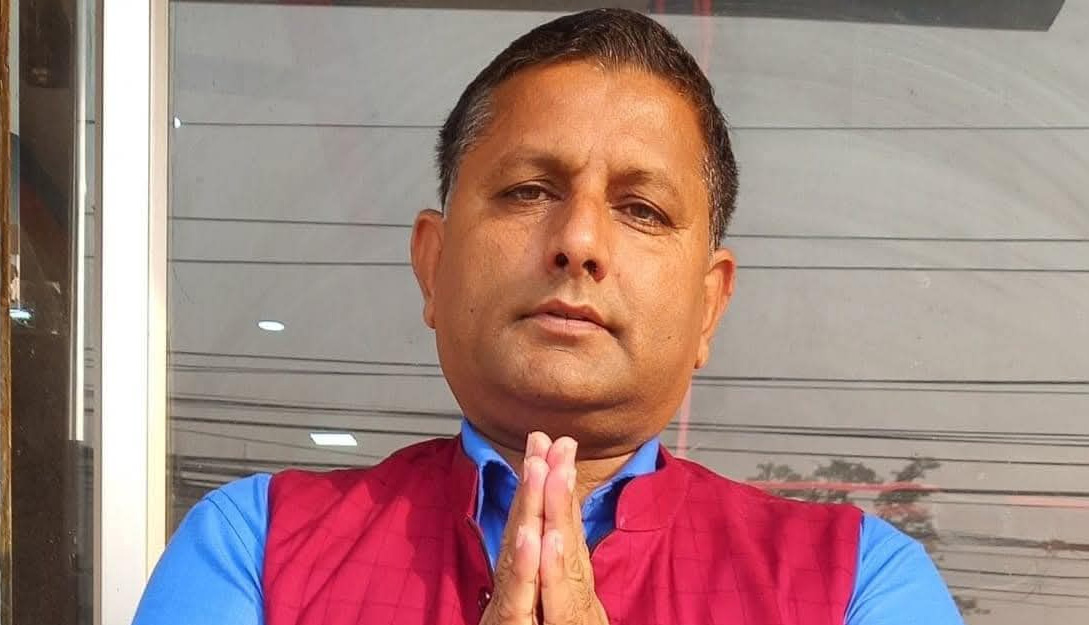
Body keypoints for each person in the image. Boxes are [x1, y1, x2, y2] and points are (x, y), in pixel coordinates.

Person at [133, 9, 963, 625]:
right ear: (433, 262)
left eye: (640, 209)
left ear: (709, 302)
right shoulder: (256, 547)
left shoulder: (856, 582)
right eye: (528, 190)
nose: (579, 241)